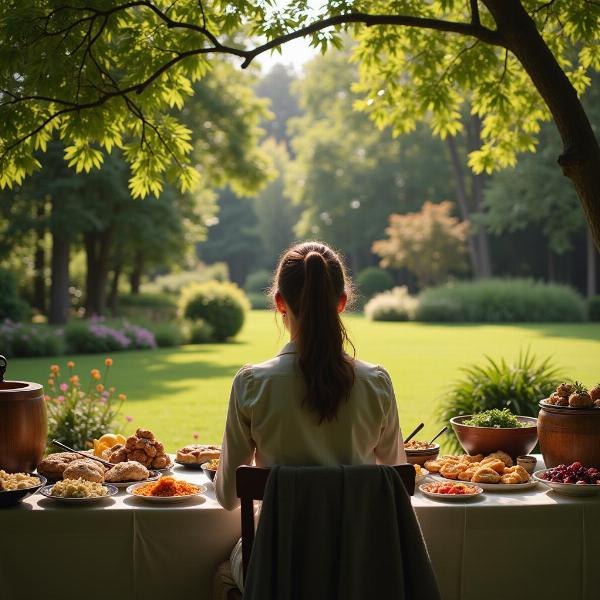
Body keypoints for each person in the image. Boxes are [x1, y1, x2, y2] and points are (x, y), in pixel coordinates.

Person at [214, 241, 406, 590]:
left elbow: (228, 497)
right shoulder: (376, 382)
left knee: (220, 572)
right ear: (343, 302)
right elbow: (396, 484)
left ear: (279, 302)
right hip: (356, 565)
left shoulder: (252, 384)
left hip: (277, 564)